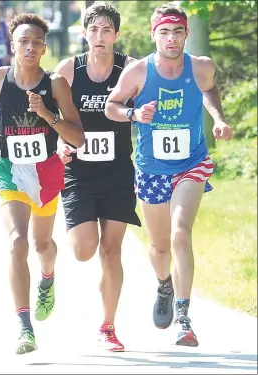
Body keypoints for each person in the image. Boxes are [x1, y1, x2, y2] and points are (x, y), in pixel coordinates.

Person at [105, 2, 233, 347]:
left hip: (191, 163)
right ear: (154, 35)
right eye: (164, 32)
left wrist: (218, 118)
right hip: (151, 168)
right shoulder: (138, 73)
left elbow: (209, 90)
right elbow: (111, 106)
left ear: (186, 35)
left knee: (179, 234)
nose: (171, 38)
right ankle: (164, 284)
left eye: (178, 32)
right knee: (159, 247)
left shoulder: (201, 66)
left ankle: (184, 318)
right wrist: (134, 114)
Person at [0, 13, 85, 354]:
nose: (30, 47)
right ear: (12, 45)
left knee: (42, 245)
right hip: (9, 169)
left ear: (44, 47)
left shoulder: (55, 85)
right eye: (24, 41)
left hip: (45, 170)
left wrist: (48, 115)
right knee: (18, 241)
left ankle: (47, 278)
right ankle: (24, 326)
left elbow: (77, 137)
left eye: (36, 42)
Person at [54, 2, 141, 352]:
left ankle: (108, 326)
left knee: (111, 250)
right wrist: (59, 144)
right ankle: (50, 270)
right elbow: (48, 116)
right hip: (79, 173)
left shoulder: (130, 69)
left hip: (118, 171)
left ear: (116, 35)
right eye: (94, 30)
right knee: (84, 251)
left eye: (107, 30)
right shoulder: (68, 70)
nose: (100, 37)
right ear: (84, 33)